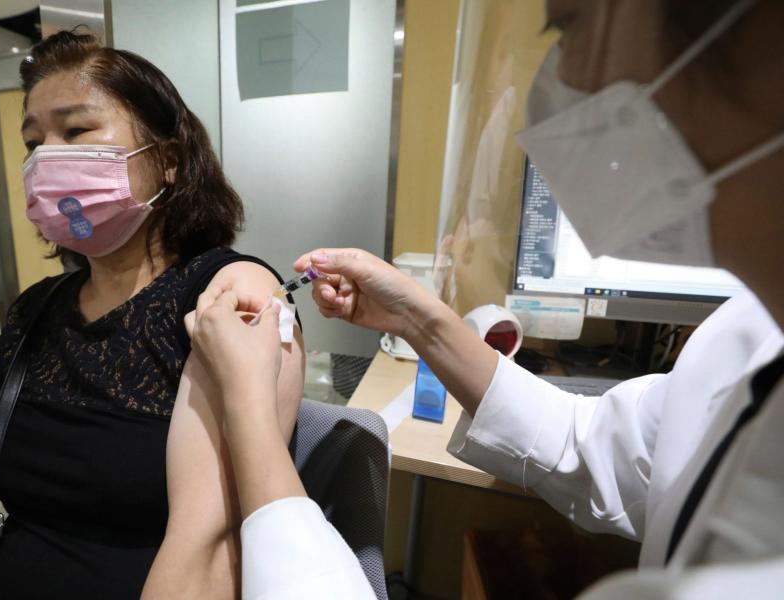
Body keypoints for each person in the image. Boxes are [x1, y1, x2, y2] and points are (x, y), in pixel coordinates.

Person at [186, 0, 784, 597]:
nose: (561, 80)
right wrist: (418, 319)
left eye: (568, 25)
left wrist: (247, 405)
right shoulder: (746, 338)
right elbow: (591, 443)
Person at [0, 31, 305, 600]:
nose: (45, 159)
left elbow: (209, 538)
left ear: (169, 161)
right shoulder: (39, 308)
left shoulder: (226, 295)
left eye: (77, 130)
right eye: (34, 142)